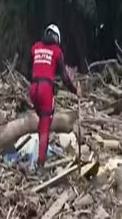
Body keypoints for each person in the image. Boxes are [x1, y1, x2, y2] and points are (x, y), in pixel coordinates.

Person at [29, 23, 80, 169]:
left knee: (41, 120)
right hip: (45, 89)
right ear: (57, 38)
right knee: (45, 126)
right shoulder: (57, 51)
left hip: (33, 88)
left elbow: (32, 68)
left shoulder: (35, 47)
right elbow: (64, 77)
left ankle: (38, 148)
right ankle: (40, 165)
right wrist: (75, 91)